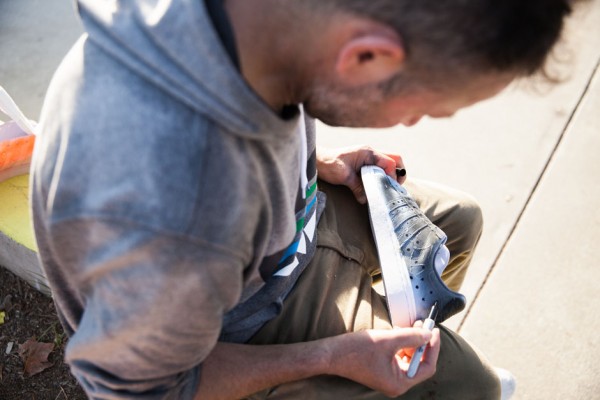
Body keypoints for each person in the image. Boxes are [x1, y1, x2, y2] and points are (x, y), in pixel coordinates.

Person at [30, 0, 574, 398]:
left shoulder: (276, 25)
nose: (413, 124)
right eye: (425, 108)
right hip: (242, 320)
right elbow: (144, 392)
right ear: (365, 56)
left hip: (280, 232)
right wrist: (335, 357)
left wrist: (318, 160)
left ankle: (401, 346)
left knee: (461, 222)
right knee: (468, 387)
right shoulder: (178, 205)